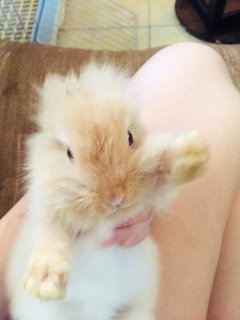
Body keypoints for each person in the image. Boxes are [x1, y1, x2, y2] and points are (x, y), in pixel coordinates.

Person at [1, 42, 240, 320]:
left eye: (129, 139)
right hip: (71, 303)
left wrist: (164, 165)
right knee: (191, 62)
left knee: (192, 61)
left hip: (119, 288)